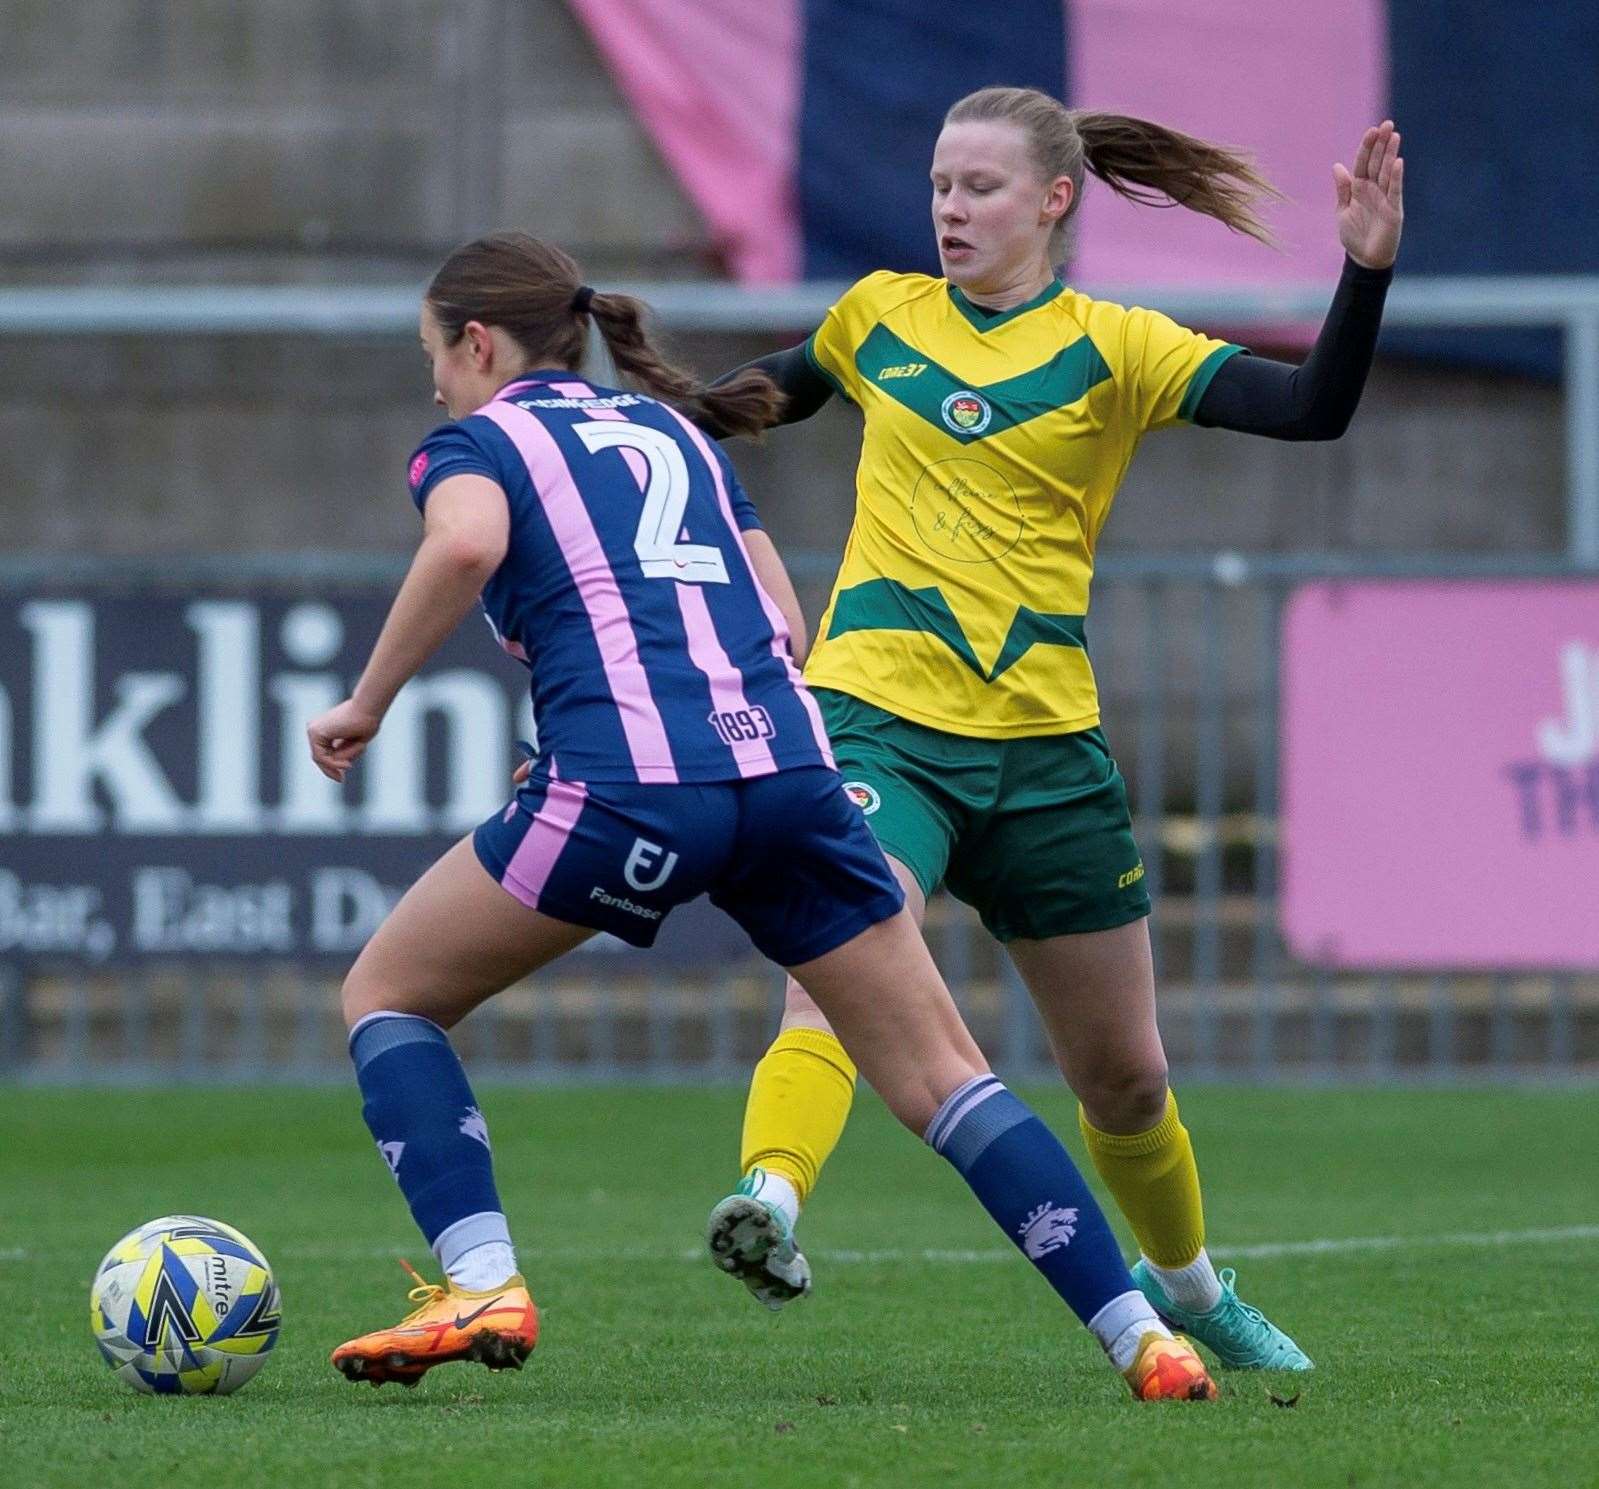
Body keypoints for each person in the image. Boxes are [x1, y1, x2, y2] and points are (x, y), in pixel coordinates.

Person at [307, 231, 1220, 1400]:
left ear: (477, 342)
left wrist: (368, 701)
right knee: (947, 1077)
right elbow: (783, 622)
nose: (434, 378)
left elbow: (471, 539)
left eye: (434, 352)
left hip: (629, 782)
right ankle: (1144, 1336)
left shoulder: (473, 442)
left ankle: (482, 1278)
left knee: (388, 994)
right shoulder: (676, 431)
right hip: (792, 771)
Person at [702, 89, 1403, 1374]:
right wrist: (630, 405)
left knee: (1126, 1080)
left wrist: (1365, 272)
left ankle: (1190, 1287)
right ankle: (772, 1202)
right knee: (839, 970)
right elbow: (741, 409)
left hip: (1044, 757)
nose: (949, 210)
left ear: (1054, 200)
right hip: (879, 727)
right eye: (938, 185)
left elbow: (1313, 410)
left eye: (978, 187)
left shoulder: (1117, 345)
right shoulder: (876, 317)